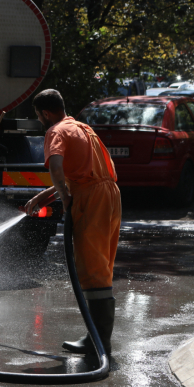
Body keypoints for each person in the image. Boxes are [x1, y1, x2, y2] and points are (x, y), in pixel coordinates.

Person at [24, 89, 122, 356]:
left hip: (91, 199)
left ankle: (99, 342)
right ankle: (97, 337)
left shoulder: (55, 131)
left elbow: (57, 168)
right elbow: (78, 173)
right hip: (110, 195)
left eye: (38, 115)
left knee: (91, 268)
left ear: (45, 113)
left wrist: (66, 198)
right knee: (101, 264)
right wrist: (47, 195)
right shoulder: (82, 128)